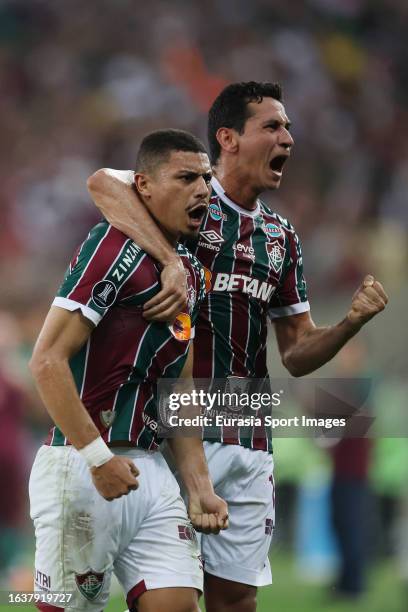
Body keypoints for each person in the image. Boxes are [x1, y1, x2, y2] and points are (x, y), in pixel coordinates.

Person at [87, 81, 388, 612]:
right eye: (272, 126)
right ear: (227, 138)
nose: (288, 138)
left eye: (288, 127)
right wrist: (171, 258)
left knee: (236, 601)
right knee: (168, 597)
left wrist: (350, 324)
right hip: (176, 433)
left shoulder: (281, 237)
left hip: (248, 436)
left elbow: (295, 353)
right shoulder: (185, 202)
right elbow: (103, 184)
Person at [29, 129, 229, 612]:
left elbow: (178, 385)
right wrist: (98, 459)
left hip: (152, 473)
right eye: (186, 178)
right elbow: (47, 360)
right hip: (81, 467)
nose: (203, 189)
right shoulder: (111, 246)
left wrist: (200, 485)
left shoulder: (193, 264)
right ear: (143, 186)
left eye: (206, 177)